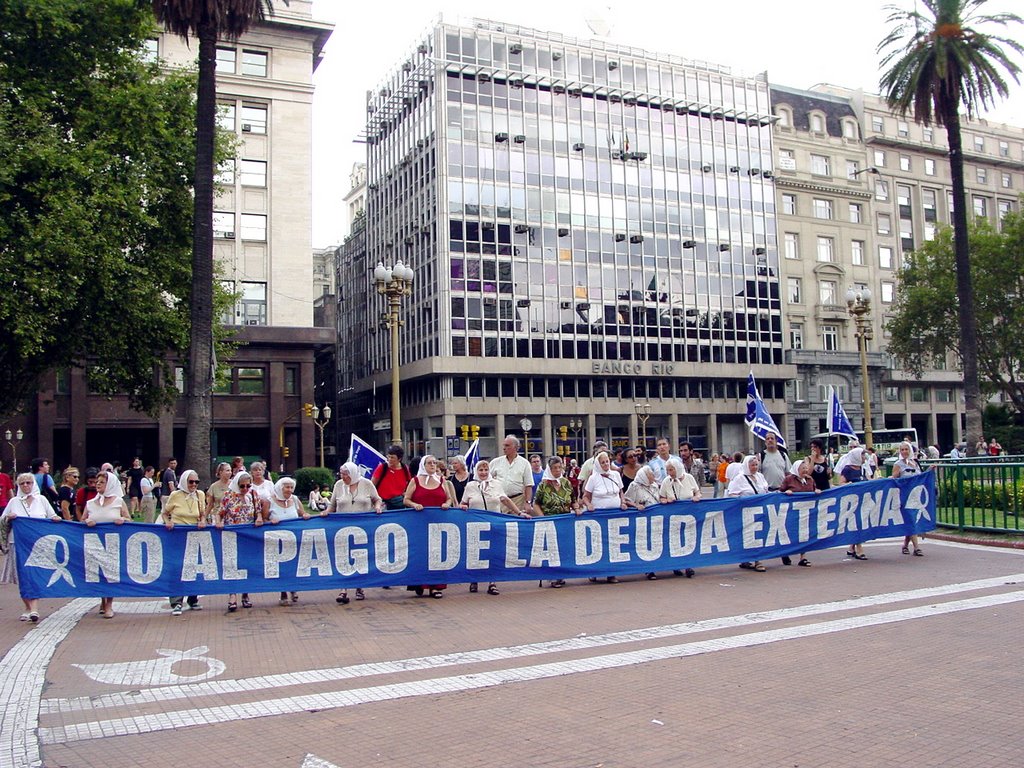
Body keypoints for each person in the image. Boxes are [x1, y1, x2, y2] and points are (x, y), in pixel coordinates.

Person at [460, 460, 530, 596]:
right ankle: (474, 580)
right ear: (476, 471)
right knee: (476, 553)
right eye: (481, 470)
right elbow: (463, 503)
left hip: (494, 524)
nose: (484, 473)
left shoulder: (496, 485)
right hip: (476, 525)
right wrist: (463, 507)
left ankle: (492, 582)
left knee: (493, 553)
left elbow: (505, 500)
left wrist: (519, 512)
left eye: (486, 470)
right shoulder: (470, 486)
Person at [1, 473, 62, 622]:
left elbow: (52, 516)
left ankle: (34, 609)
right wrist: (9, 518)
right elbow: (2, 520)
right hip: (17, 543)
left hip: (37, 545)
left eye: (28, 482)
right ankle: (28, 607)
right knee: (22, 577)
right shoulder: (14, 502)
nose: (26, 486)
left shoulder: (41, 500)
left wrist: (56, 519)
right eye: (22, 484)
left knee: (33, 575)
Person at [326, 461, 382, 604]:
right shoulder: (339, 485)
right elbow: (332, 505)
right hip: (342, 527)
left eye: (346, 474)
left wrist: (377, 507)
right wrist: (326, 513)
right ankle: (343, 589)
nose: (343, 477)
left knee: (360, 556)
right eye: (342, 474)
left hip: (363, 527)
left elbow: (377, 499)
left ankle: (359, 587)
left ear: (353, 474)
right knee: (343, 557)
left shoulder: (367, 484)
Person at [404, 455, 456, 599]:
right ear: (423, 465)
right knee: (421, 553)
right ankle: (420, 583)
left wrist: (447, 504)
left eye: (434, 463)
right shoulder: (415, 481)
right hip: (419, 523)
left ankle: (435, 586)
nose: (432, 465)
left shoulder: (441, 480)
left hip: (438, 523)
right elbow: (406, 499)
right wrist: (415, 505)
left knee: (437, 554)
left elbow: (449, 497)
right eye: (429, 463)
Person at [82, 470, 131, 617]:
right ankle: (102, 600)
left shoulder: (118, 501)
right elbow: (82, 520)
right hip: (94, 544)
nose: (98, 484)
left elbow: (129, 518)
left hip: (112, 544)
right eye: (97, 482)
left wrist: (123, 520)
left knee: (110, 574)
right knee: (97, 574)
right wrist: (87, 522)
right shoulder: (90, 503)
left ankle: (109, 604)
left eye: (102, 482)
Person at [215, 471, 263, 611]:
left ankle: (245, 594)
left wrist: (259, 518)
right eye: (242, 486)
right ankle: (232, 595)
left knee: (246, 565)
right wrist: (218, 523)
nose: (245, 489)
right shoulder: (229, 496)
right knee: (232, 566)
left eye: (248, 485)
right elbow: (219, 513)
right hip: (232, 535)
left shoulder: (253, 495)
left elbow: (258, 511)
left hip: (248, 536)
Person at [266, 476, 317, 605]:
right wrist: (270, 522)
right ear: (280, 488)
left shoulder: (294, 499)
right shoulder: (269, 501)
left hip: (293, 540)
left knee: (293, 566)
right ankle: (283, 592)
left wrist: (305, 515)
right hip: (276, 541)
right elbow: (264, 518)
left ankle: (293, 589)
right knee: (281, 568)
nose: (289, 490)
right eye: (286, 487)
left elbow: (302, 513)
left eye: (291, 487)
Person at [162, 469, 206, 615]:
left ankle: (193, 598)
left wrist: (203, 521)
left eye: (196, 482)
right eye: (191, 482)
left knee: (194, 567)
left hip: (194, 535)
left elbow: (203, 513)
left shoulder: (200, 495)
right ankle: (176, 602)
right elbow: (164, 512)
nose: (194, 485)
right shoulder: (175, 495)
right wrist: (167, 522)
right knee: (177, 567)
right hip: (177, 534)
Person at [582, 451, 626, 584]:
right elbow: (585, 496)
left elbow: (621, 491)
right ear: (598, 464)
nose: (606, 464)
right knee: (598, 545)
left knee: (613, 545)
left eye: (607, 461)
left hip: (615, 515)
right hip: (599, 517)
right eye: (603, 462)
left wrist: (623, 502)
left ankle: (611, 573)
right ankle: (594, 572)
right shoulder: (593, 478)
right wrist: (589, 505)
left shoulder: (616, 475)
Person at [727, 455, 770, 572]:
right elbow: (731, 494)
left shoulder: (760, 477)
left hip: (760, 511)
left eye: (756, 465)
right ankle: (751, 559)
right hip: (746, 513)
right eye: (752, 465)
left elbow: (766, 491)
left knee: (759, 535)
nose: (755, 467)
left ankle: (757, 559)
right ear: (747, 465)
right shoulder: (739, 478)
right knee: (749, 537)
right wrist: (743, 499)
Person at [778, 458, 819, 567]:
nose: (805, 470)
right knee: (790, 533)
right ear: (797, 469)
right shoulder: (789, 479)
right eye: (803, 468)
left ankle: (803, 557)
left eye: (806, 468)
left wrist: (817, 491)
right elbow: (779, 493)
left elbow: (814, 489)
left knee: (804, 534)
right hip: (791, 512)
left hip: (805, 512)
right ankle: (785, 552)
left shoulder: (810, 480)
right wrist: (786, 492)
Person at [891, 441, 926, 557]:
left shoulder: (915, 463)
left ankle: (905, 545)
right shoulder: (898, 464)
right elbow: (894, 479)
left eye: (906, 449)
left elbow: (921, 477)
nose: (904, 452)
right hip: (904, 496)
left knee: (912, 520)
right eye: (902, 450)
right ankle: (917, 547)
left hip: (916, 496)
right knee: (910, 519)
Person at [836, 447, 869, 560]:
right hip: (852, 502)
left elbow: (868, 480)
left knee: (861, 524)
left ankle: (851, 548)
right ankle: (859, 549)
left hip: (863, 501)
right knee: (856, 524)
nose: (864, 457)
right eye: (862, 455)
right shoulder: (847, 469)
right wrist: (849, 484)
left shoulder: (863, 469)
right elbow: (840, 483)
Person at [488, 435, 534, 513]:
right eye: (504, 445)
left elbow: (528, 485)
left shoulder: (524, 463)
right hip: (501, 499)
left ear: (516, 447)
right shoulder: (495, 462)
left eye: (507, 445)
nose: (504, 448)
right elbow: (486, 479)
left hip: (518, 500)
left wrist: (528, 503)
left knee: (517, 523)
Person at [371, 445, 413, 510]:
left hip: (399, 503)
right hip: (383, 503)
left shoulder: (405, 468)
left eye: (392, 457)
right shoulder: (382, 467)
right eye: (389, 457)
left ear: (399, 459)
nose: (390, 459)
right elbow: (372, 485)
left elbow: (410, 484)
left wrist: (405, 494)